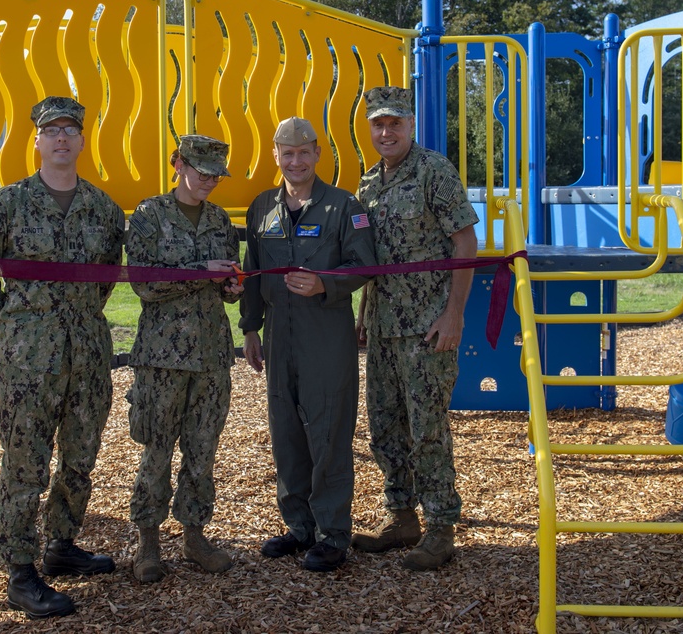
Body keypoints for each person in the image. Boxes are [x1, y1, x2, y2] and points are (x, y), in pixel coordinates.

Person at [0, 96, 125, 619]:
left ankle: (61, 546)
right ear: (35, 141)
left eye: (69, 131)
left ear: (80, 140)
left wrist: (72, 322)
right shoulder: (6, 205)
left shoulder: (103, 208)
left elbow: (101, 281)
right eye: (50, 130)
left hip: (88, 356)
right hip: (28, 361)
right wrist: (14, 323)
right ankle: (20, 568)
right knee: (26, 463)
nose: (60, 139)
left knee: (80, 458)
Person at [239, 116, 376, 572]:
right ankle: (299, 528)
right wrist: (251, 328)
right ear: (275, 156)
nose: (295, 161)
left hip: (325, 333)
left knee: (328, 432)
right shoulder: (262, 208)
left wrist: (325, 285)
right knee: (287, 434)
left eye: (303, 152)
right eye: (286, 153)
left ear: (318, 154)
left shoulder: (343, 206)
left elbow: (365, 266)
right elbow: (253, 269)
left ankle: (333, 534)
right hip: (279, 336)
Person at [352, 86, 479, 571]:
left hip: (428, 326)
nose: (387, 132)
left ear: (410, 125)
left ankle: (441, 527)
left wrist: (454, 313)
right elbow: (372, 261)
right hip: (384, 328)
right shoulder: (369, 184)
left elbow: (465, 242)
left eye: (395, 123)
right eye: (378, 124)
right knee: (385, 426)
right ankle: (402, 517)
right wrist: (365, 316)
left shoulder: (434, 171)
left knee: (427, 428)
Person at [125, 134, 244, 583]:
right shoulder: (149, 215)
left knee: (202, 449)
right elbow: (144, 284)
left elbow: (227, 283)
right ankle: (148, 541)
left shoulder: (218, 220)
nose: (209, 181)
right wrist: (201, 274)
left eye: (216, 174)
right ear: (177, 163)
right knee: (156, 449)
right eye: (201, 171)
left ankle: (194, 534)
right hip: (162, 356)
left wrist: (232, 287)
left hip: (211, 354)